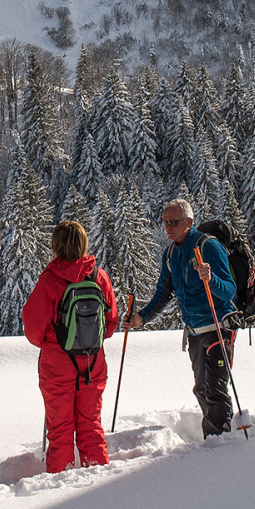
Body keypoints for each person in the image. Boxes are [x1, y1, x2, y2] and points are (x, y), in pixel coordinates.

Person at [123, 198, 239, 438]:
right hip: (196, 332)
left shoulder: (209, 247)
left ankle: (221, 446)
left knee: (216, 390)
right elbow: (163, 294)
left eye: (174, 222)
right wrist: (141, 319)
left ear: (189, 222)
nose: (168, 227)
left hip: (219, 328)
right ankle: (217, 438)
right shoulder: (170, 254)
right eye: (165, 222)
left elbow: (229, 290)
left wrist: (211, 279)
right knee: (202, 389)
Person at [21, 221, 118, 473]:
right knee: (91, 425)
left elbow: (33, 330)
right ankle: (96, 478)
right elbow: (111, 322)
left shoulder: (50, 281)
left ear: (56, 245)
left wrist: (52, 343)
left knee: (61, 430)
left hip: (57, 366)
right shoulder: (99, 276)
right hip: (93, 364)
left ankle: (59, 484)